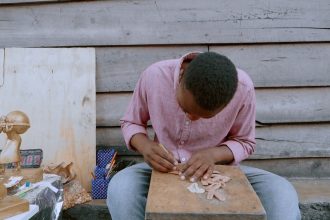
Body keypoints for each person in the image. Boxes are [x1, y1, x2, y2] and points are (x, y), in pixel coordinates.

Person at [107, 52, 301, 220]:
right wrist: (145, 146)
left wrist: (213, 155)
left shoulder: (243, 89)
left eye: (205, 117)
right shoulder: (154, 76)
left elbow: (245, 142)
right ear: (181, 77)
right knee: (121, 188)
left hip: (219, 173)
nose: (192, 118)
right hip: (165, 171)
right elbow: (131, 122)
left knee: (282, 192)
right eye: (185, 109)